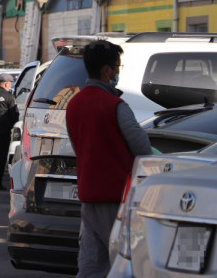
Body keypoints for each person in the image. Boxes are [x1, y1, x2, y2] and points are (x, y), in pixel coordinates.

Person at [65, 40, 152, 277]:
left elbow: (78, 146)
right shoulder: (115, 105)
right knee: (121, 260)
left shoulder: (74, 104)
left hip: (88, 194)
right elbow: (143, 148)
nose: (117, 72)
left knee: (91, 262)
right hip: (116, 196)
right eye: (117, 66)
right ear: (106, 70)